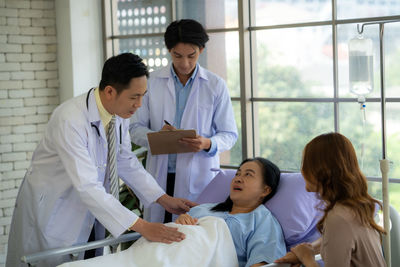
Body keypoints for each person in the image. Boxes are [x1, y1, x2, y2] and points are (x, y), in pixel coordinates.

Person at [6, 53, 196, 267]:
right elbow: (87, 186)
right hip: (56, 208)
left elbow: (125, 159)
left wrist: (163, 198)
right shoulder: (70, 119)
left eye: (143, 96)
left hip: (89, 207)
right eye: (134, 97)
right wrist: (143, 226)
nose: (139, 104)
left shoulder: (117, 114)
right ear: (109, 92)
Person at [130, 19, 238, 223]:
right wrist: (156, 137)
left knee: (190, 237)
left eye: (191, 56)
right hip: (160, 177)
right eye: (177, 56)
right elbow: (135, 127)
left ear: (202, 50)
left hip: (198, 176)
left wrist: (207, 143)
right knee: (158, 239)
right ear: (169, 50)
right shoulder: (152, 82)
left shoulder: (215, 85)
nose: (185, 63)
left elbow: (229, 134)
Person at [275, 132, 386, 267]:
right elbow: (340, 238)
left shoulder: (338, 218)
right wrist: (309, 248)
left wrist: (307, 258)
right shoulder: (355, 208)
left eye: (305, 164)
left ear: (319, 170)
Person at [175, 157, 286, 267]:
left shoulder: (263, 221)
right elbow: (170, 234)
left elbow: (263, 263)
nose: (238, 179)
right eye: (237, 174)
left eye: (248, 174)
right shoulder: (203, 209)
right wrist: (180, 223)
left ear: (265, 190)